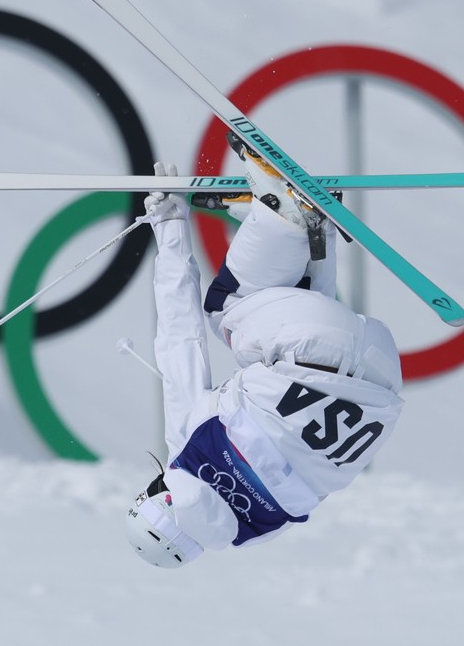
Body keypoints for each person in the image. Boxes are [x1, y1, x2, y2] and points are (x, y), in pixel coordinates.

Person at [124, 135, 405, 568]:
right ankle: (281, 219)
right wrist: (170, 222)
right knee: (225, 312)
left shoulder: (268, 525)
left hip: (381, 370)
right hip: (307, 343)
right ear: (161, 495)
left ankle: (311, 228)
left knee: (283, 353)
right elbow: (179, 335)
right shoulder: (188, 450)